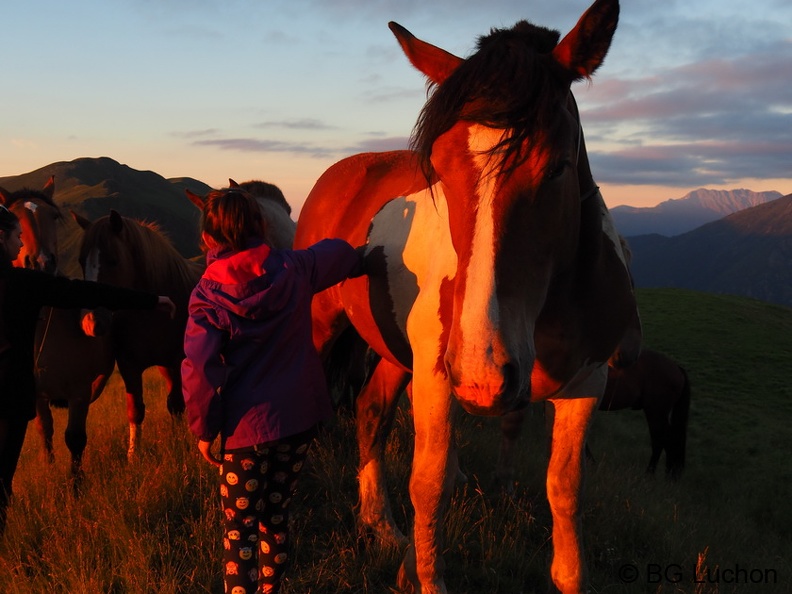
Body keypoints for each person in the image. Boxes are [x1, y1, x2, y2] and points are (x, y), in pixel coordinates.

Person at [181, 187, 364, 594]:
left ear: (209, 239)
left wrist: (203, 431)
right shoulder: (294, 268)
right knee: (277, 516)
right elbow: (338, 253)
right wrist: (360, 255)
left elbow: (200, 370)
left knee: (239, 532)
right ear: (260, 225)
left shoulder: (207, 296)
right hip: (299, 420)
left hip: (244, 432)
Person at [0, 203, 176, 534]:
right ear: (1, 238)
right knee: (2, 479)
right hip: (8, 394)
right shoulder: (23, 283)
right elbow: (84, 291)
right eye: (16, 237)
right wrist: (151, 300)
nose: (22, 244)